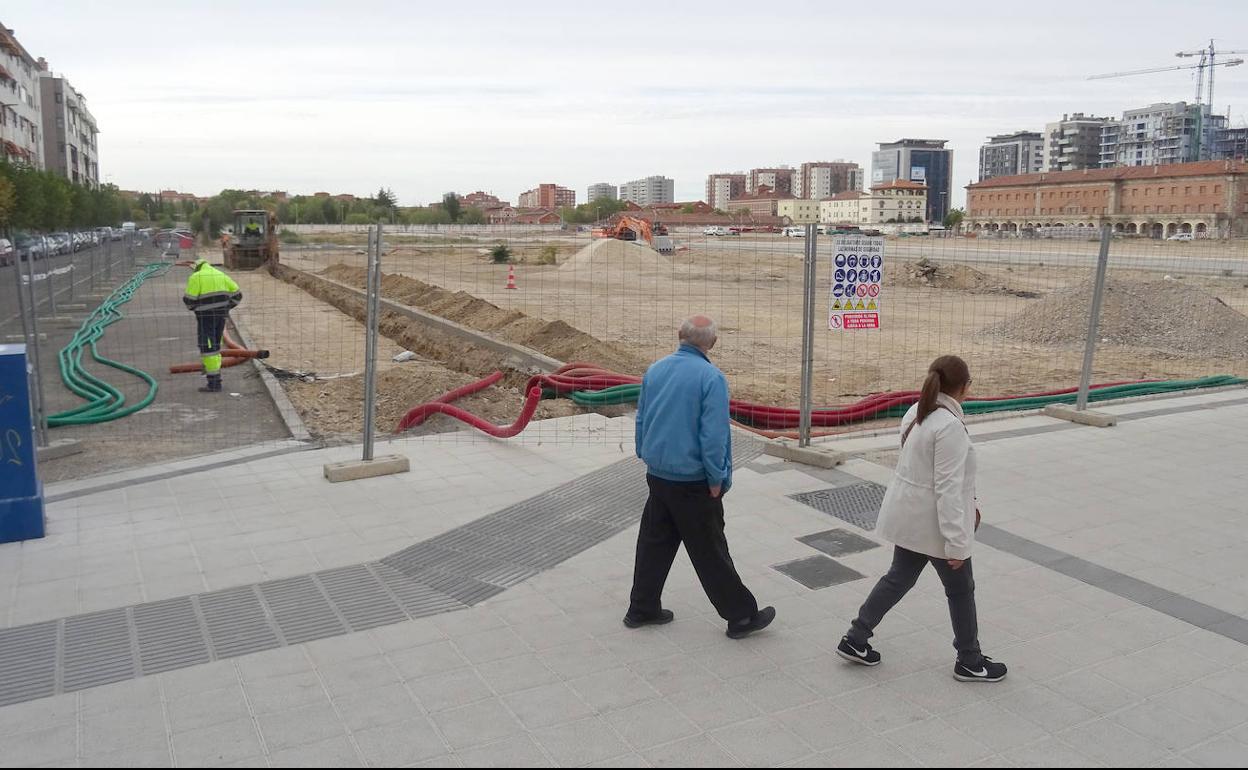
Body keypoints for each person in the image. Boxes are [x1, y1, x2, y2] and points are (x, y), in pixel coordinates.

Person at [837, 355, 1007, 683]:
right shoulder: (949, 427)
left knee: (898, 577)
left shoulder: (918, 411)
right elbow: (946, 488)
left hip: (912, 517)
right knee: (961, 588)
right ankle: (969, 660)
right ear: (964, 387)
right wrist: (957, 542)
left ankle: (856, 637)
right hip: (936, 526)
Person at [625, 314, 776, 640]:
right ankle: (741, 617)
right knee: (710, 549)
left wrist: (644, 452)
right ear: (713, 343)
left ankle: (642, 607)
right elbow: (713, 436)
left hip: (659, 474)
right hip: (693, 481)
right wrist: (716, 477)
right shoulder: (711, 378)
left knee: (655, 542)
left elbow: (642, 418)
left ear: (679, 334)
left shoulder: (655, 370)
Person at [183, 258, 243, 393]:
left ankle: (214, 383)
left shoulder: (196, 277)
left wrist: (198, 309)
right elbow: (238, 295)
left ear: (197, 267)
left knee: (208, 348)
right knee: (215, 344)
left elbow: (189, 301)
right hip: (221, 316)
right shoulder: (220, 274)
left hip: (205, 317)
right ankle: (212, 374)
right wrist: (226, 308)